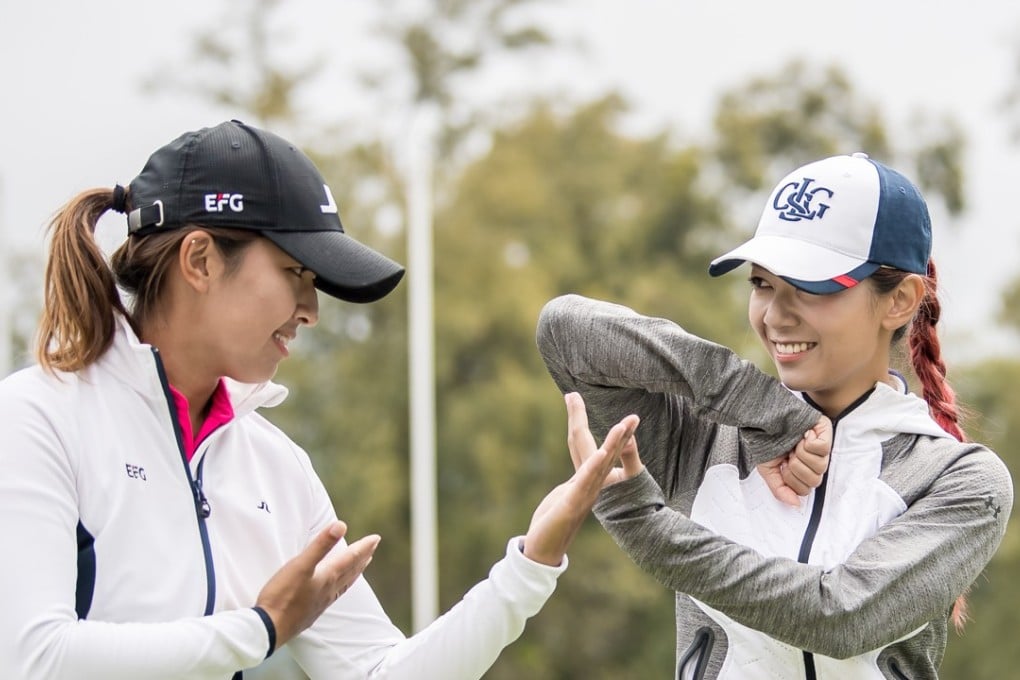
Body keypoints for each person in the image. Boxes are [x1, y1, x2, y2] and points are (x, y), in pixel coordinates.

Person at [0, 120, 645, 680]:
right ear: (200, 260)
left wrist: (530, 565)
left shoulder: (275, 468)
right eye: (294, 273)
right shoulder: (36, 418)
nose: (310, 309)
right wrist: (261, 628)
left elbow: (376, 673)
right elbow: (32, 658)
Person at [537, 153, 1013, 679]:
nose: (776, 315)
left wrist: (648, 530)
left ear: (899, 300)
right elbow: (565, 331)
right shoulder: (705, 440)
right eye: (762, 284)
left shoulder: (960, 479)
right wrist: (759, 404)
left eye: (812, 287)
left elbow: (841, 617)